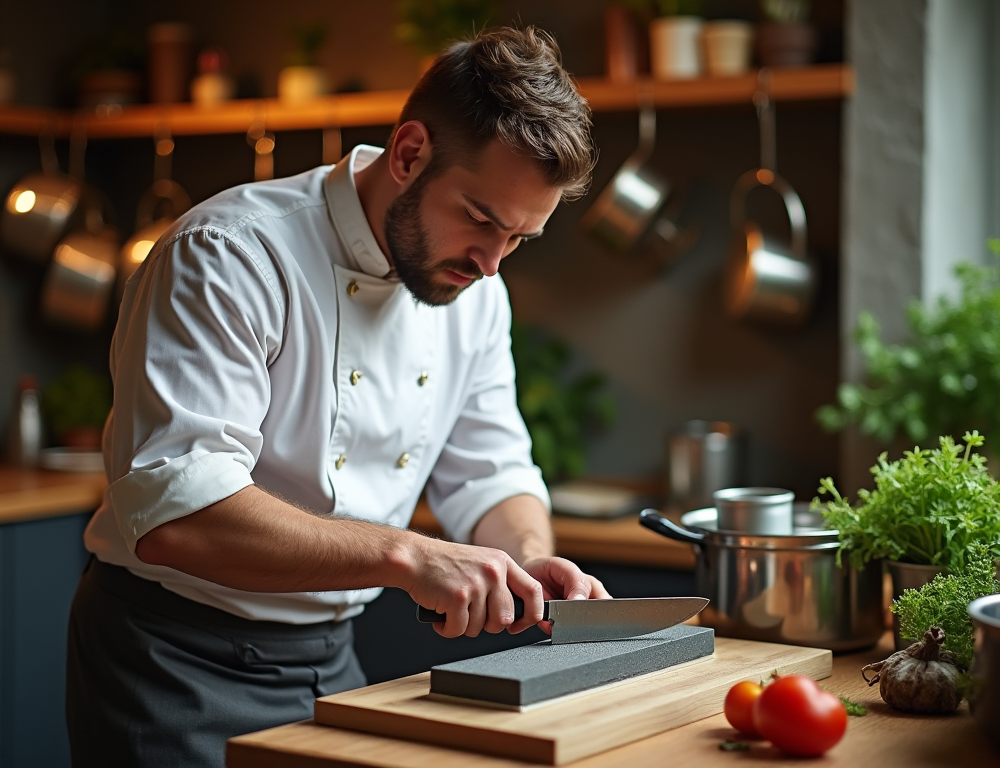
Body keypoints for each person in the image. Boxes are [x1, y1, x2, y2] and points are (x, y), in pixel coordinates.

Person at [65, 24, 609, 768]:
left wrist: (527, 562)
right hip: (173, 661)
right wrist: (407, 555)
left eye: (521, 238)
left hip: (330, 661)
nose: (491, 262)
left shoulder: (476, 292)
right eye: (481, 219)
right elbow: (177, 512)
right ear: (410, 153)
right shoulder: (230, 254)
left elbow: (490, 472)